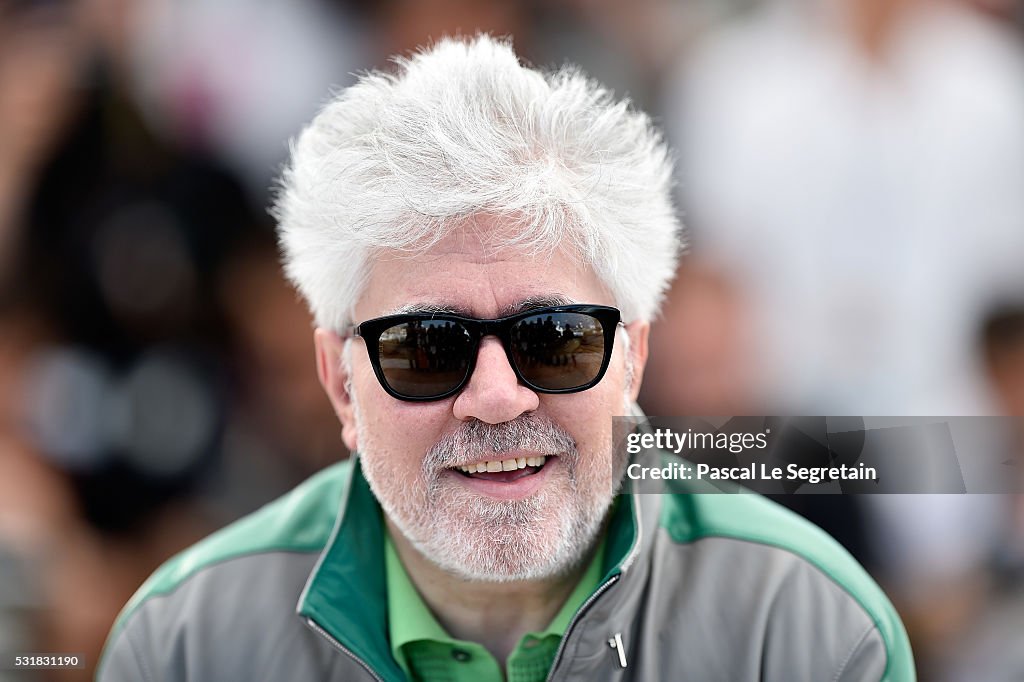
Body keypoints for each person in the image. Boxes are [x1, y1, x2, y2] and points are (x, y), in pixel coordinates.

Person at [98, 35, 913, 681]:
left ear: (631, 361)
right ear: (341, 386)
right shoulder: (183, 646)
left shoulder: (810, 630)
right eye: (426, 348)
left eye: (554, 341)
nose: (497, 397)